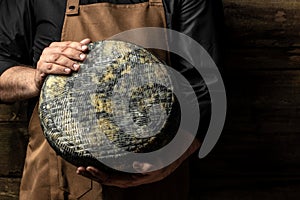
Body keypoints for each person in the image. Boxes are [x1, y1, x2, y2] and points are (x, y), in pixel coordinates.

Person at [0, 0, 223, 199]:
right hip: (57, 183)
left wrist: (171, 160)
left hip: (151, 180)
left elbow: (206, 89)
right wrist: (38, 78)